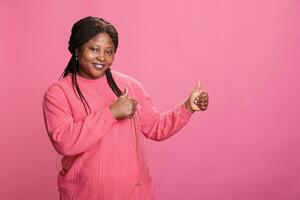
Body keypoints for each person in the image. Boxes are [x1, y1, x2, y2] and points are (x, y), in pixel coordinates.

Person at [42, 16, 209, 200]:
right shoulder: (58, 93)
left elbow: (155, 127)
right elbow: (65, 142)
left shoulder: (130, 85)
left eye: (109, 51)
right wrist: (112, 112)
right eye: (94, 49)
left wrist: (187, 108)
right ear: (77, 49)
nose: (102, 57)